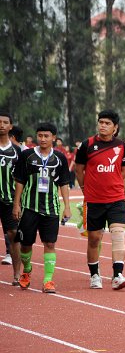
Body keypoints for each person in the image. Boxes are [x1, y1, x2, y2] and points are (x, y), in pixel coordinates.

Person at [74, 110, 125, 290]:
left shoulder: (122, 147)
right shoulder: (87, 145)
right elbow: (79, 170)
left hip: (116, 199)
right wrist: (86, 190)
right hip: (94, 200)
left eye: (107, 123)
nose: (102, 126)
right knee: (94, 238)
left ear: (115, 128)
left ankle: (117, 275)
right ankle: (94, 275)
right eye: (100, 122)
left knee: (118, 235)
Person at [12, 122, 71, 293]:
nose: (42, 139)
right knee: (25, 245)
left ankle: (48, 280)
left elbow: (64, 183)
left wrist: (66, 207)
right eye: (40, 136)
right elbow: (20, 181)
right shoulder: (27, 156)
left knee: (50, 243)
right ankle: (27, 269)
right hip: (29, 207)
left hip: (51, 208)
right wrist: (17, 205)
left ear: (54, 138)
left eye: (46, 136)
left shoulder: (60, 158)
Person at [0, 112, 22, 284]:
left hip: (9, 201)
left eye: (5, 122)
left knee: (13, 234)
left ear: (10, 126)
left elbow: (21, 179)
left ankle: (17, 274)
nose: (1, 125)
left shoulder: (17, 151)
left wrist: (17, 203)